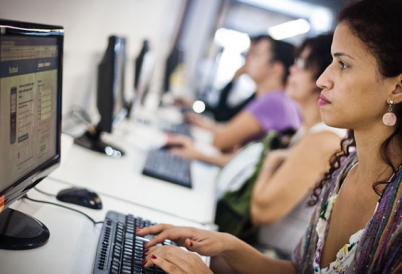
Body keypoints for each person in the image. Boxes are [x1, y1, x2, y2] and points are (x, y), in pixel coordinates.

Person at [137, 0, 402, 272]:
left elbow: (260, 208)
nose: (323, 79)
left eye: (344, 64)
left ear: (397, 89)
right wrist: (228, 244)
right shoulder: (346, 169)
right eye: (331, 62)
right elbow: (297, 271)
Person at [166, 35, 301, 166]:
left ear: (275, 68)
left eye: (255, 55)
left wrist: (199, 152)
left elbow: (219, 141)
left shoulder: (273, 101)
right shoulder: (278, 98)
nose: (247, 60)